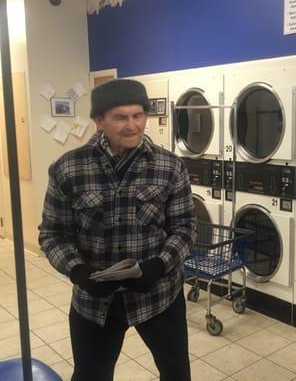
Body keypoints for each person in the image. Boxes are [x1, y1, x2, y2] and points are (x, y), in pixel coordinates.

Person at [39, 79, 197, 381]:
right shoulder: (68, 168)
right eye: (120, 117)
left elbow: (186, 228)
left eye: (138, 115)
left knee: (177, 374)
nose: (132, 125)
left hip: (158, 296)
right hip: (95, 302)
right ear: (99, 121)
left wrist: (159, 264)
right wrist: (77, 272)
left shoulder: (170, 167)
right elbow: (53, 234)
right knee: (90, 376)